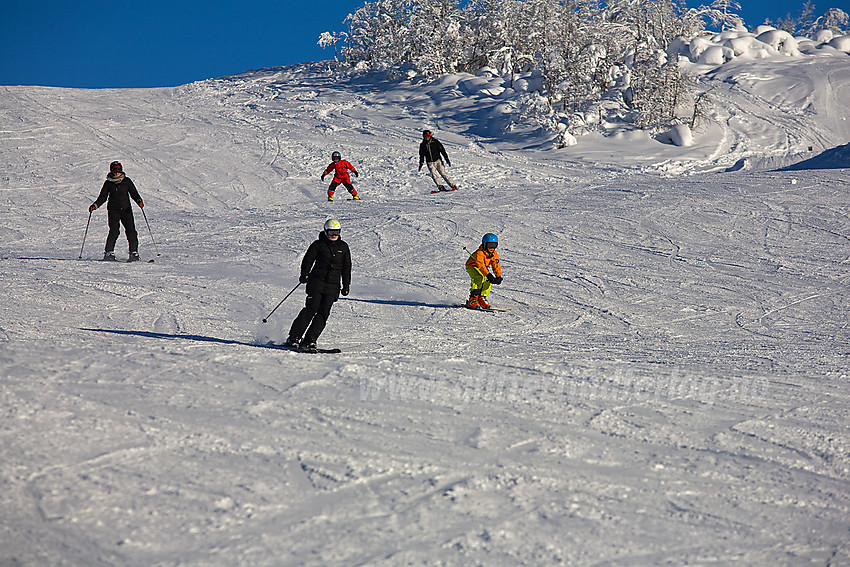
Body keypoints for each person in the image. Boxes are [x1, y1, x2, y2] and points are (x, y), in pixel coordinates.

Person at [284, 219, 352, 352]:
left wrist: (346, 285)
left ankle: (310, 340)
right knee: (311, 308)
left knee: (323, 313)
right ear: (325, 231)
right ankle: (294, 338)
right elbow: (308, 260)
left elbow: (346, 268)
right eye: (331, 232)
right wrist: (304, 274)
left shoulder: (343, 247)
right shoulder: (318, 245)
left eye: (336, 233)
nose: (334, 235)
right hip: (316, 282)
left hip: (333, 286)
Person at [88, 161, 144, 261]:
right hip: (113, 210)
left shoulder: (127, 181)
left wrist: (139, 201)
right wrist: (95, 205)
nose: (116, 172)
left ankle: (133, 253)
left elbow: (134, 193)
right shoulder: (108, 183)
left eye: (118, 169)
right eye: (114, 169)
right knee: (114, 231)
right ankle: (108, 253)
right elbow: (103, 197)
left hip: (126, 210)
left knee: (131, 231)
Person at [465, 233, 502, 309]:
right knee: (479, 277)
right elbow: (481, 266)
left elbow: (496, 265)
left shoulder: (494, 253)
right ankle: (473, 299)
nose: (492, 248)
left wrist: (498, 276)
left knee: (487, 280)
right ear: (485, 245)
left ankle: (482, 297)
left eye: (495, 246)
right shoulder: (479, 253)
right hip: (472, 266)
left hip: (483, 268)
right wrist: (488, 275)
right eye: (490, 245)